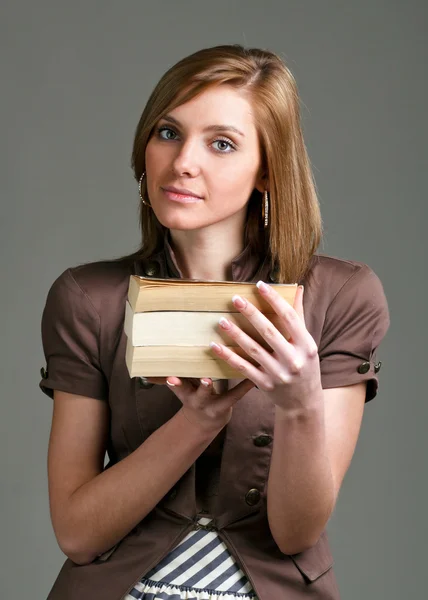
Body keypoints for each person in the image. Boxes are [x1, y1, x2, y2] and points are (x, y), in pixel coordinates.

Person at [39, 44, 390, 600]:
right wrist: (195, 424)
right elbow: (77, 534)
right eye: (168, 132)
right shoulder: (89, 299)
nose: (183, 162)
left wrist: (299, 404)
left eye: (222, 143)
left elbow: (296, 533)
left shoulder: (339, 297)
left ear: (268, 172)